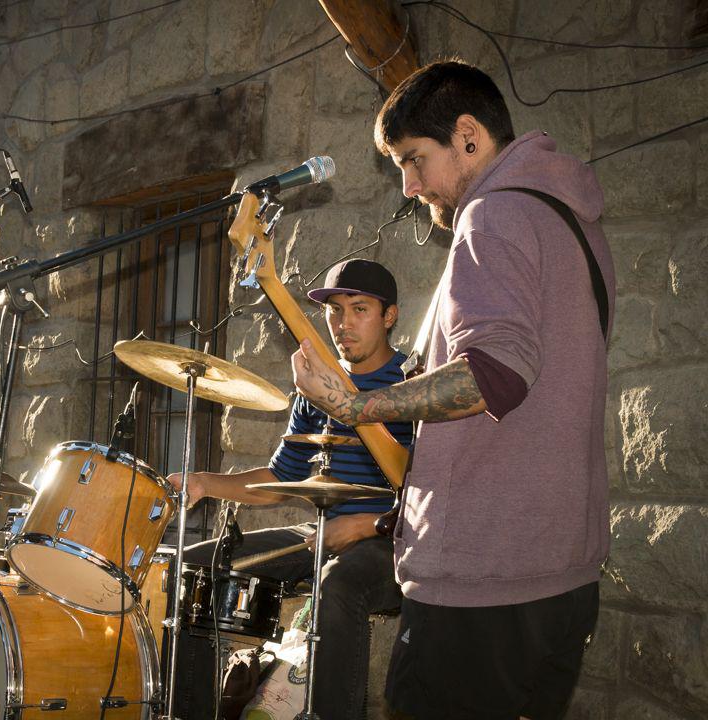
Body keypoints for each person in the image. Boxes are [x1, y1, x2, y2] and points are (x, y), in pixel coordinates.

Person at [290, 60, 615, 719]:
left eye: (414, 160)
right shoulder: (572, 222)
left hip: (484, 586)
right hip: (561, 577)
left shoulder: (492, 216)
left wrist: (353, 405)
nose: (410, 187)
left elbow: (494, 374)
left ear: (468, 136)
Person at [166, 259, 414, 720]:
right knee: (194, 566)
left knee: (336, 584)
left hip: (391, 541)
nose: (343, 324)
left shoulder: (412, 384)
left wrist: (360, 527)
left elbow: (433, 493)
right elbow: (281, 481)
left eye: (359, 309)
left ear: (390, 316)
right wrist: (204, 483)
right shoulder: (314, 389)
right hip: (322, 527)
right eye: (334, 311)